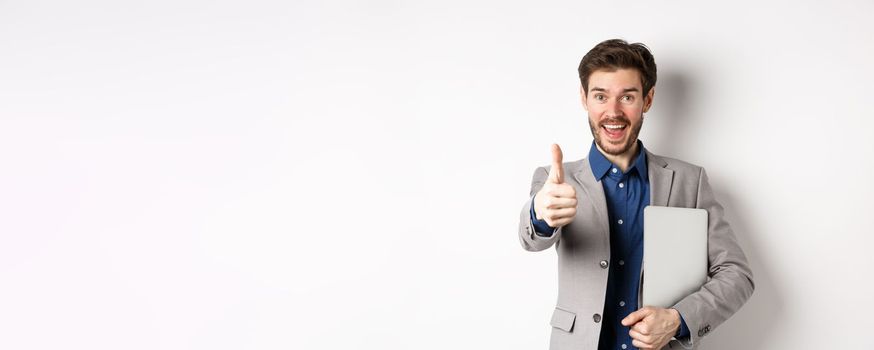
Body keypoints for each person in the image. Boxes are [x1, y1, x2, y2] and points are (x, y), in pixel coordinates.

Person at [517, 39, 754, 350]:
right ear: (584, 99)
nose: (612, 112)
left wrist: (678, 319)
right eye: (600, 96)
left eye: (627, 97)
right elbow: (531, 237)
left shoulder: (689, 181)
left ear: (648, 99)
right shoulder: (556, 181)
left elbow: (737, 274)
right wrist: (541, 214)